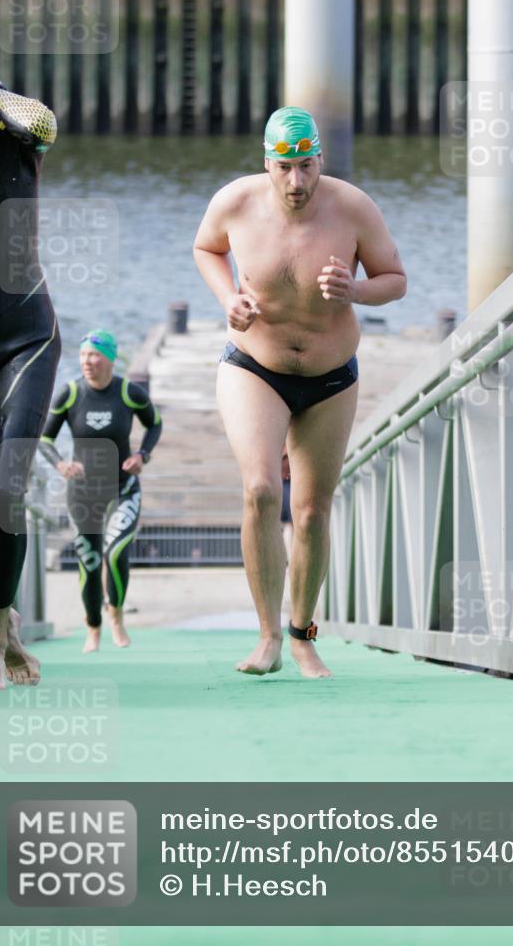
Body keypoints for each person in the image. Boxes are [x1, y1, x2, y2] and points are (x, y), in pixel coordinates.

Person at [193, 106, 406, 678]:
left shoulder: (353, 208)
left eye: (307, 166)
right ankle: (267, 637)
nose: (296, 181)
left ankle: (302, 634)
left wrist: (355, 291)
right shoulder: (235, 202)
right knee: (262, 490)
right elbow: (206, 248)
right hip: (254, 366)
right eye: (285, 167)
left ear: (320, 160)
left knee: (311, 514)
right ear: (267, 163)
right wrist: (228, 299)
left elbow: (396, 280)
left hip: (330, 377)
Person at [0, 60, 60, 690]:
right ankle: (7, 622)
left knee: (6, 486)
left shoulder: (16, 136)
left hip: (24, 337)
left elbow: (43, 119)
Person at [39, 330, 162, 653]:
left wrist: (142, 455)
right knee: (90, 562)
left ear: (109, 358)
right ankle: (92, 628)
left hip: (123, 489)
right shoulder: (70, 394)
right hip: (82, 493)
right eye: (83, 355)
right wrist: (60, 464)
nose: (87, 362)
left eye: (94, 355)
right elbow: (45, 439)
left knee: (116, 552)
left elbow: (155, 423)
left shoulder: (128, 393)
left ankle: (116, 616)